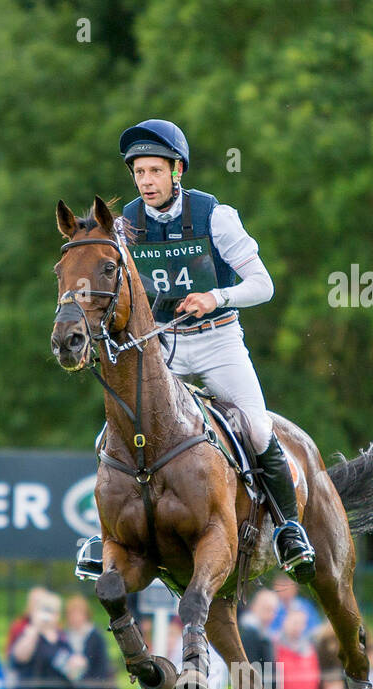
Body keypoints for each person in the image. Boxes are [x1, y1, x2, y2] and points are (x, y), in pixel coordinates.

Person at [117, 118, 313, 580]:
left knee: (258, 429)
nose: (145, 182)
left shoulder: (214, 216)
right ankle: (106, 536)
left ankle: (288, 530)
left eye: (154, 171)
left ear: (177, 171)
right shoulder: (127, 222)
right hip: (162, 344)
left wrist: (215, 296)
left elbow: (263, 285)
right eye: (139, 173)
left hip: (218, 340)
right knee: (117, 432)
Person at [8, 591, 77, 689]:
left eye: (54, 611)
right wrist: (36, 627)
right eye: (46, 610)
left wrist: (76, 664)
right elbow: (20, 657)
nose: (49, 616)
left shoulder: (61, 638)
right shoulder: (30, 633)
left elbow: (72, 671)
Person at [63, 594, 115, 689]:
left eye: (78, 614)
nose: (75, 618)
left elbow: (102, 665)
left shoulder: (95, 636)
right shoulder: (64, 636)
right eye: (72, 614)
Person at [273, 606, 319, 689]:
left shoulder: (311, 650)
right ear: (285, 622)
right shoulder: (274, 646)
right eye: (294, 622)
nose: (297, 627)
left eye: (301, 623)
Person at [268, 574, 322, 640]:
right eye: (281, 589)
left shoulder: (306, 607)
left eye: (287, 588)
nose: (285, 592)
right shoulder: (270, 608)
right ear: (275, 588)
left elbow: (316, 629)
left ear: (295, 589)